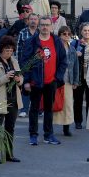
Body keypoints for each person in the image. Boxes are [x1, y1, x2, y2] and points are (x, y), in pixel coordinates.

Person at [21, 16, 67, 146]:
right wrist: (27, 81)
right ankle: (33, 135)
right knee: (34, 109)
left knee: (48, 109)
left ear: (51, 26)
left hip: (51, 81)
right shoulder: (31, 41)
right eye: (42, 25)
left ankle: (48, 135)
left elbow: (63, 61)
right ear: (39, 26)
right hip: (36, 81)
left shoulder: (56, 41)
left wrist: (58, 77)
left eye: (47, 25)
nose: (45, 27)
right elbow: (25, 62)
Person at [0, 36, 26, 164]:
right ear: (1, 49)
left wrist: (19, 80)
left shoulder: (14, 61)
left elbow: (21, 77)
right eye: (6, 50)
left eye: (11, 50)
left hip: (13, 98)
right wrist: (5, 77)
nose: (9, 53)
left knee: (10, 128)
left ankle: (9, 154)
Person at [54, 26, 78, 137]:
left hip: (68, 79)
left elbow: (76, 66)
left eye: (68, 34)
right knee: (54, 104)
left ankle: (66, 128)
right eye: (64, 34)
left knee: (68, 105)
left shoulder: (72, 48)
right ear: (59, 35)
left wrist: (75, 81)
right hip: (56, 79)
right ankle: (49, 128)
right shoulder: (55, 47)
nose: (66, 36)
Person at [16, 12, 39, 117]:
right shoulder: (22, 32)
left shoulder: (41, 32)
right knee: (26, 86)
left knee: (38, 86)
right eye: (31, 19)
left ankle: (38, 109)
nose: (33, 21)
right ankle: (24, 109)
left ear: (38, 21)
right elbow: (18, 49)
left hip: (39, 64)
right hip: (25, 63)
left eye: (35, 19)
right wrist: (18, 64)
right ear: (28, 20)